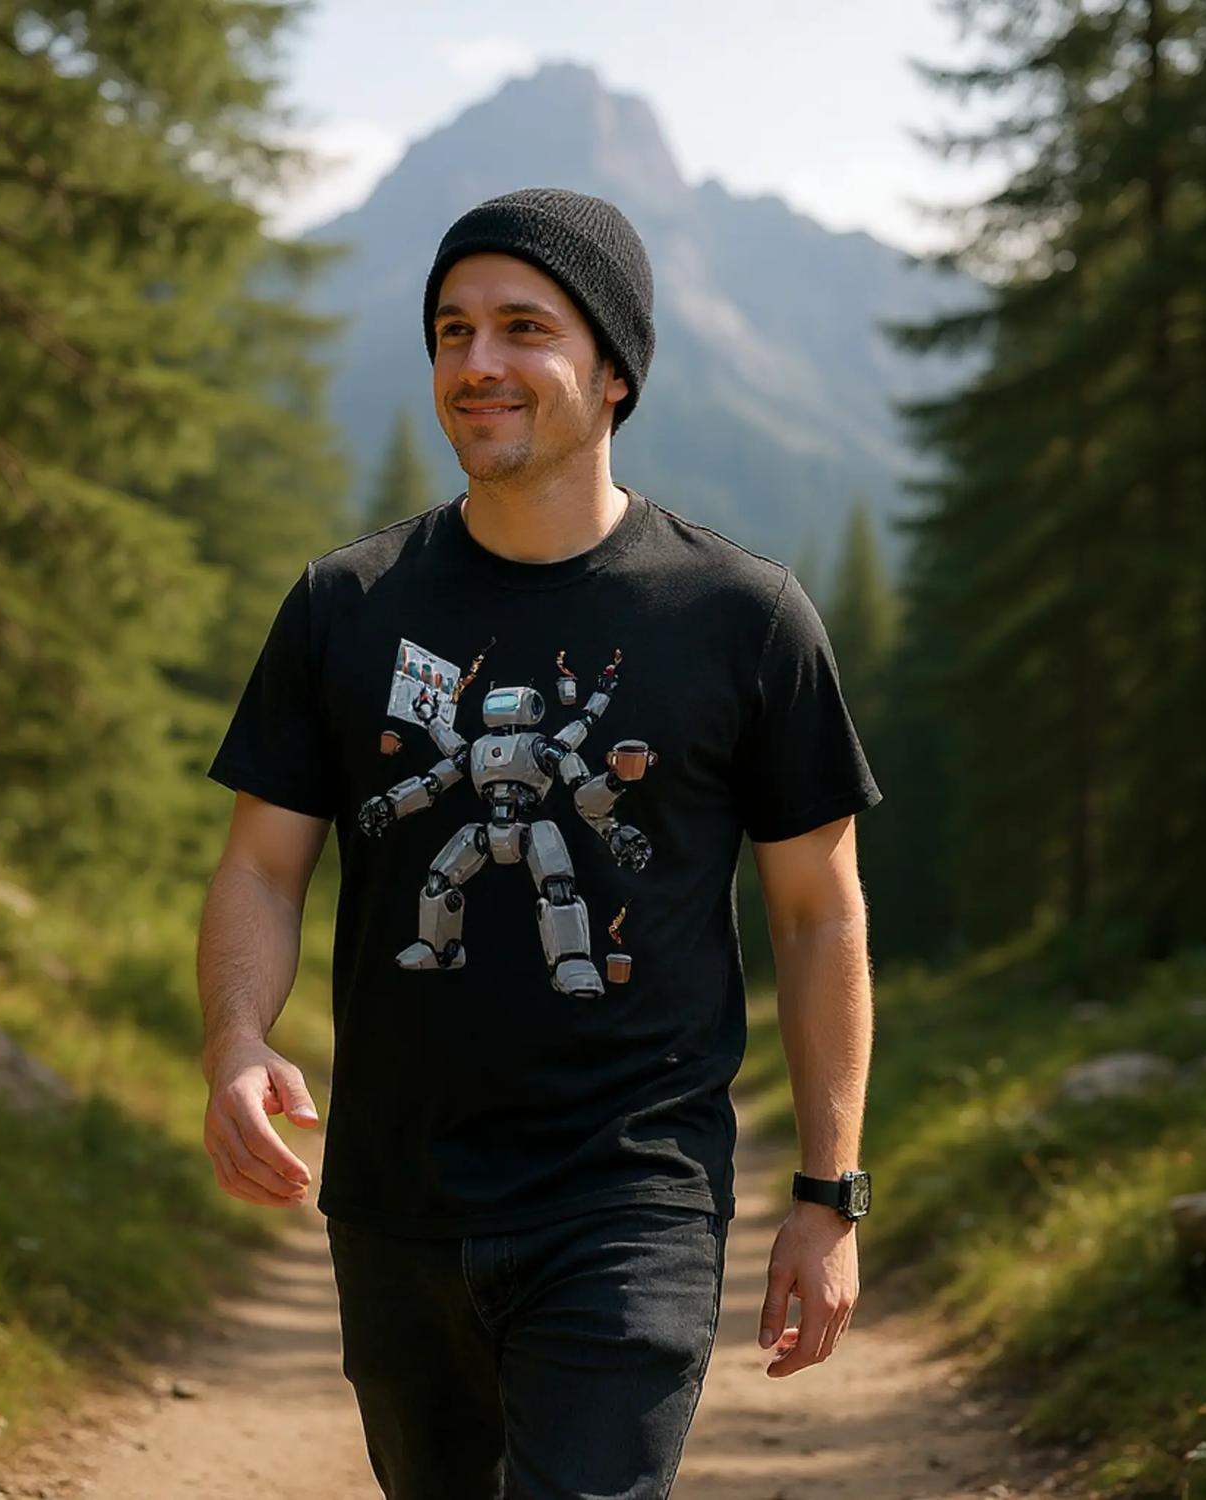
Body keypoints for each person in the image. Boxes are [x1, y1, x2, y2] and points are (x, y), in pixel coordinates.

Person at [197, 186, 883, 1499]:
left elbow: (819, 914)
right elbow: (261, 866)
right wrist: (235, 1041)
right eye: (452, 331)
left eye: (523, 328)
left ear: (613, 371)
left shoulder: (746, 620)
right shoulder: (347, 607)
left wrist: (828, 1191)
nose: (478, 364)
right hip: (395, 1201)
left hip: (632, 1197)